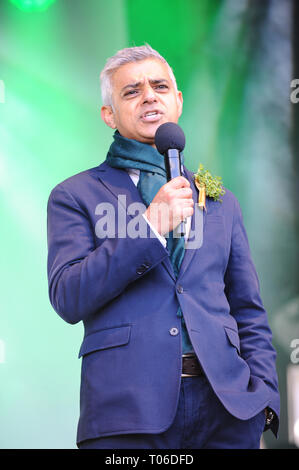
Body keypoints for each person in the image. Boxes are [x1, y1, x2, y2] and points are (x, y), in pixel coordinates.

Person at [47, 44, 280, 449]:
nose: (149, 96)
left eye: (159, 86)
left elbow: (248, 310)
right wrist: (151, 225)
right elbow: (69, 296)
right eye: (131, 91)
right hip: (127, 413)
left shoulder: (219, 198)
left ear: (178, 101)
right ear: (109, 114)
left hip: (227, 411)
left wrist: (264, 400)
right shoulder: (75, 194)